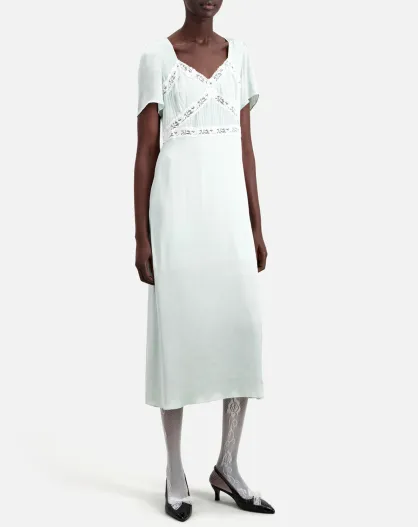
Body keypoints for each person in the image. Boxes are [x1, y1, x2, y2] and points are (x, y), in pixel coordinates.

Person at [134, 0, 274, 520]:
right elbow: (145, 151)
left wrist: (256, 225)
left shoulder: (241, 56)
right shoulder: (157, 57)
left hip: (229, 216)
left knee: (241, 330)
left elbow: (246, 148)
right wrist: (141, 237)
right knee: (177, 336)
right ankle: (175, 470)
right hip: (177, 216)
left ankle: (228, 465)